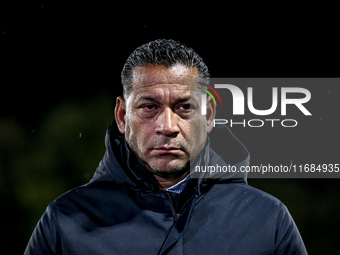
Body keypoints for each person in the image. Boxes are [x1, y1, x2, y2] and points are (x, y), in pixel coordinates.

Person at [24, 39, 307, 254]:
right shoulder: (65, 220)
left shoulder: (268, 219)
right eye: (149, 106)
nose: (167, 126)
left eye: (184, 107)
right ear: (122, 117)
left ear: (208, 116)